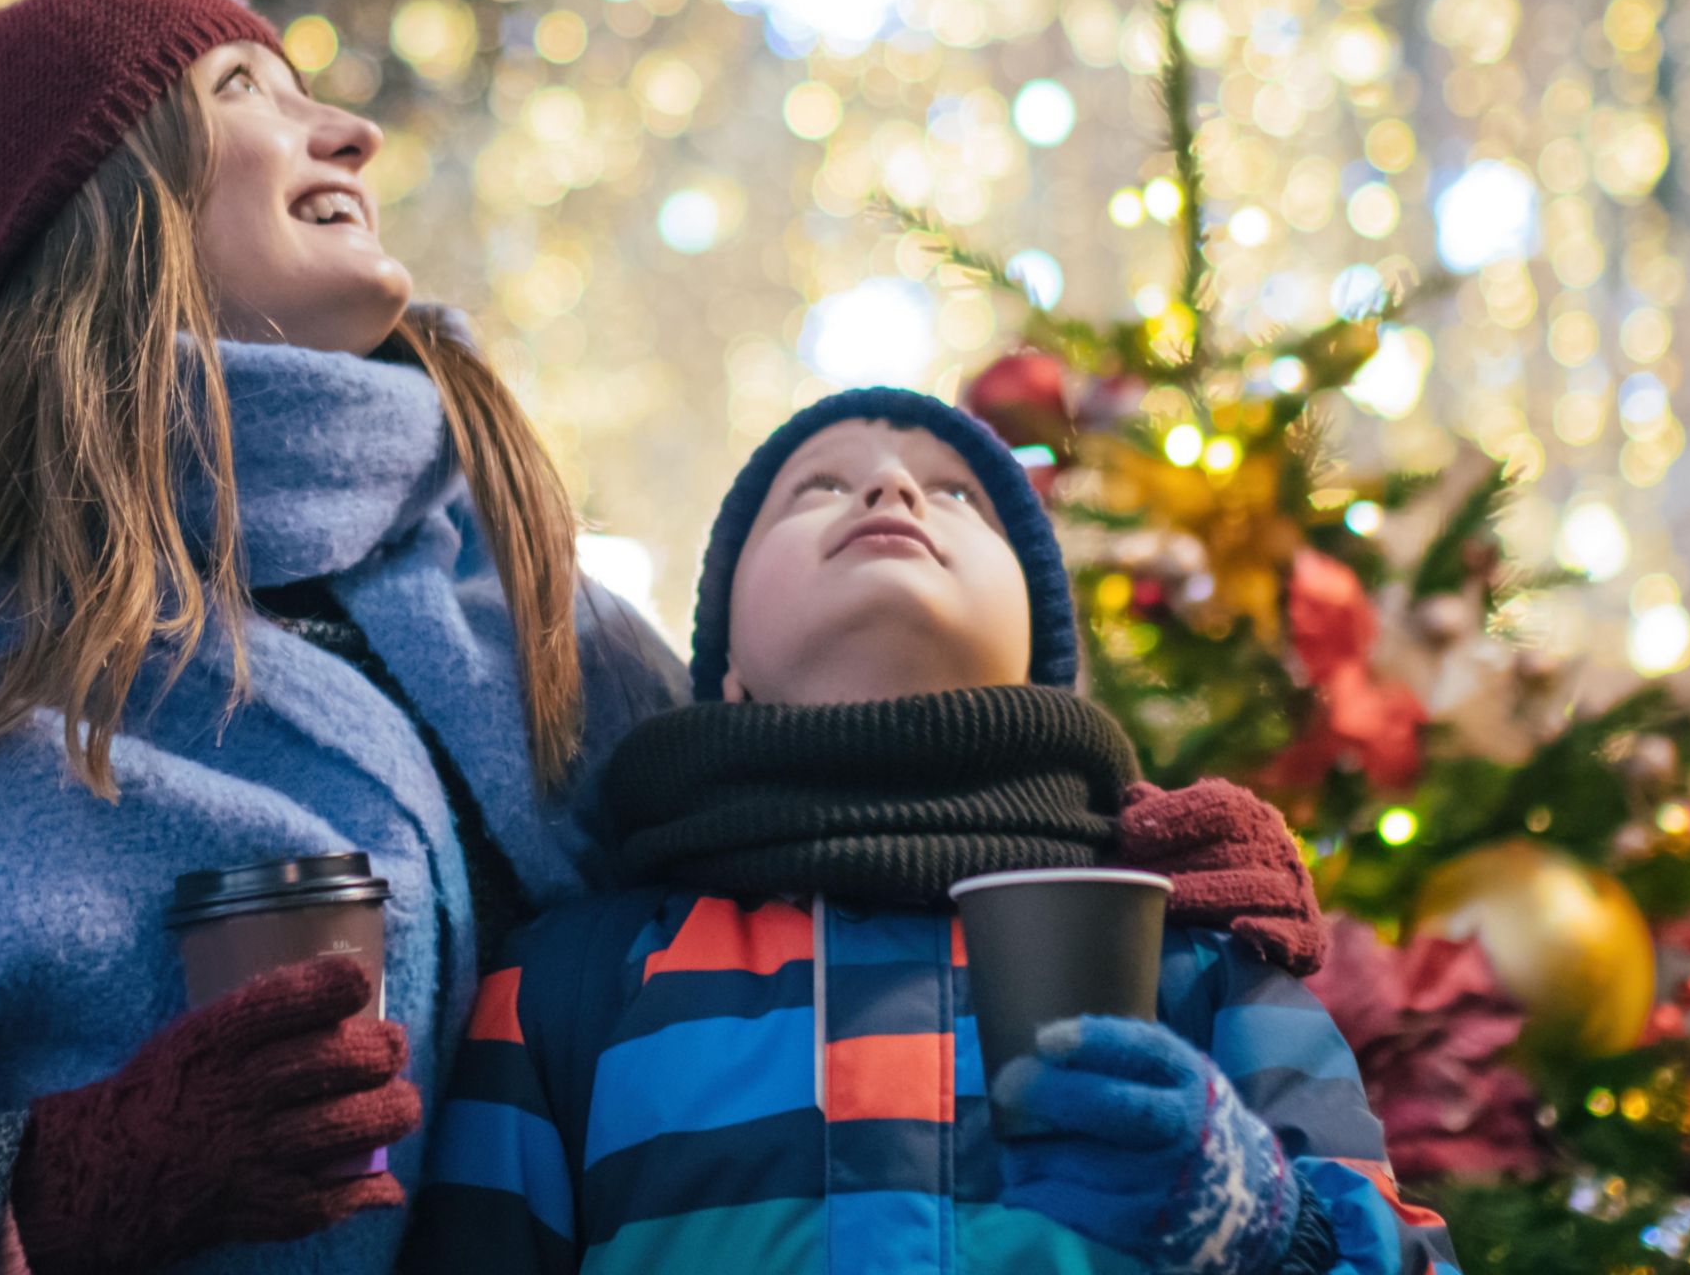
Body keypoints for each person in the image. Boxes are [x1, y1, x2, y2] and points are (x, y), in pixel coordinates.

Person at [0, 0, 1333, 1275]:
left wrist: (1108, 847)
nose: (344, 119)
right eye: (248, 96)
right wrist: (43, 1196)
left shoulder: (528, 620)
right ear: (92, 212)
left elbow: (785, 897)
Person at [405, 390, 1458, 1275]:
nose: (890, 489)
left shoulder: (1195, 954)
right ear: (727, 666)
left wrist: (1261, 1221)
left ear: (1040, 660)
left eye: (957, 493)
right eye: (819, 484)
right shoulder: (566, 982)